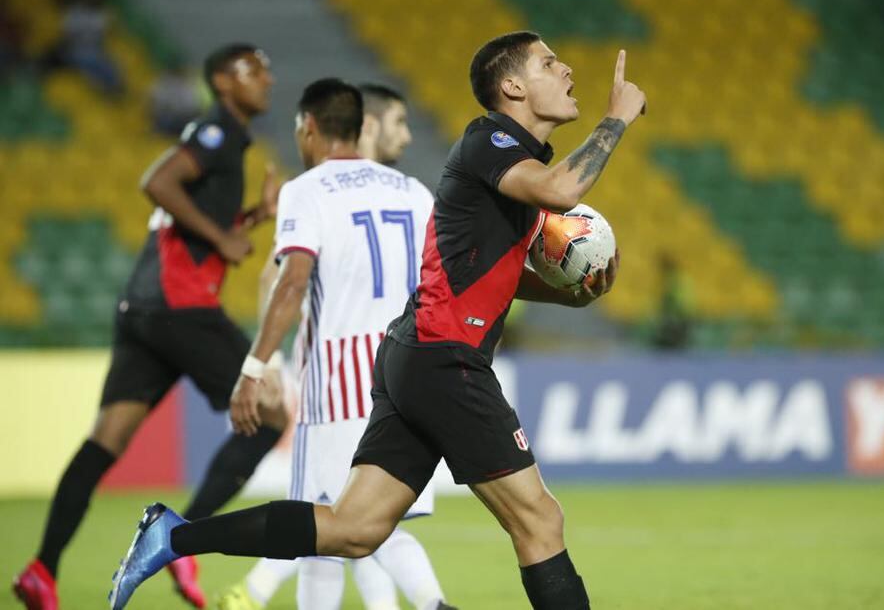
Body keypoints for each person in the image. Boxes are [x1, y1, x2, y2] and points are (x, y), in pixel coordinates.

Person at [107, 30, 645, 610]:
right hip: (446, 362)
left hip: (416, 356)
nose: (566, 70)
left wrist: (573, 294)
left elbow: (493, 275)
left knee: (354, 530)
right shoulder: (490, 140)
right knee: (540, 522)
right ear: (512, 87)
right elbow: (563, 190)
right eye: (548, 62)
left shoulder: (508, 166)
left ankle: (172, 536)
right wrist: (615, 119)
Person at [13, 43, 288, 610]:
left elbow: (192, 219)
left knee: (105, 440)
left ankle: (43, 567)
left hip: (142, 309)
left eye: (265, 69)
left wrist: (249, 220)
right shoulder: (217, 133)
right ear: (221, 80)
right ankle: (178, 543)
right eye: (252, 70)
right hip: (178, 307)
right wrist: (222, 238)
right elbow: (157, 181)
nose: (266, 78)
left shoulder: (225, 141)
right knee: (269, 417)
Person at [216, 82, 454, 610]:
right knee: (366, 525)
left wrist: (256, 366)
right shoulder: (414, 192)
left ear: (308, 126)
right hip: (407, 380)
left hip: (340, 385)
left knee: (317, 527)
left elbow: (290, 282)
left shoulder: (309, 190)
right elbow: (444, 283)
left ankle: (437, 606)